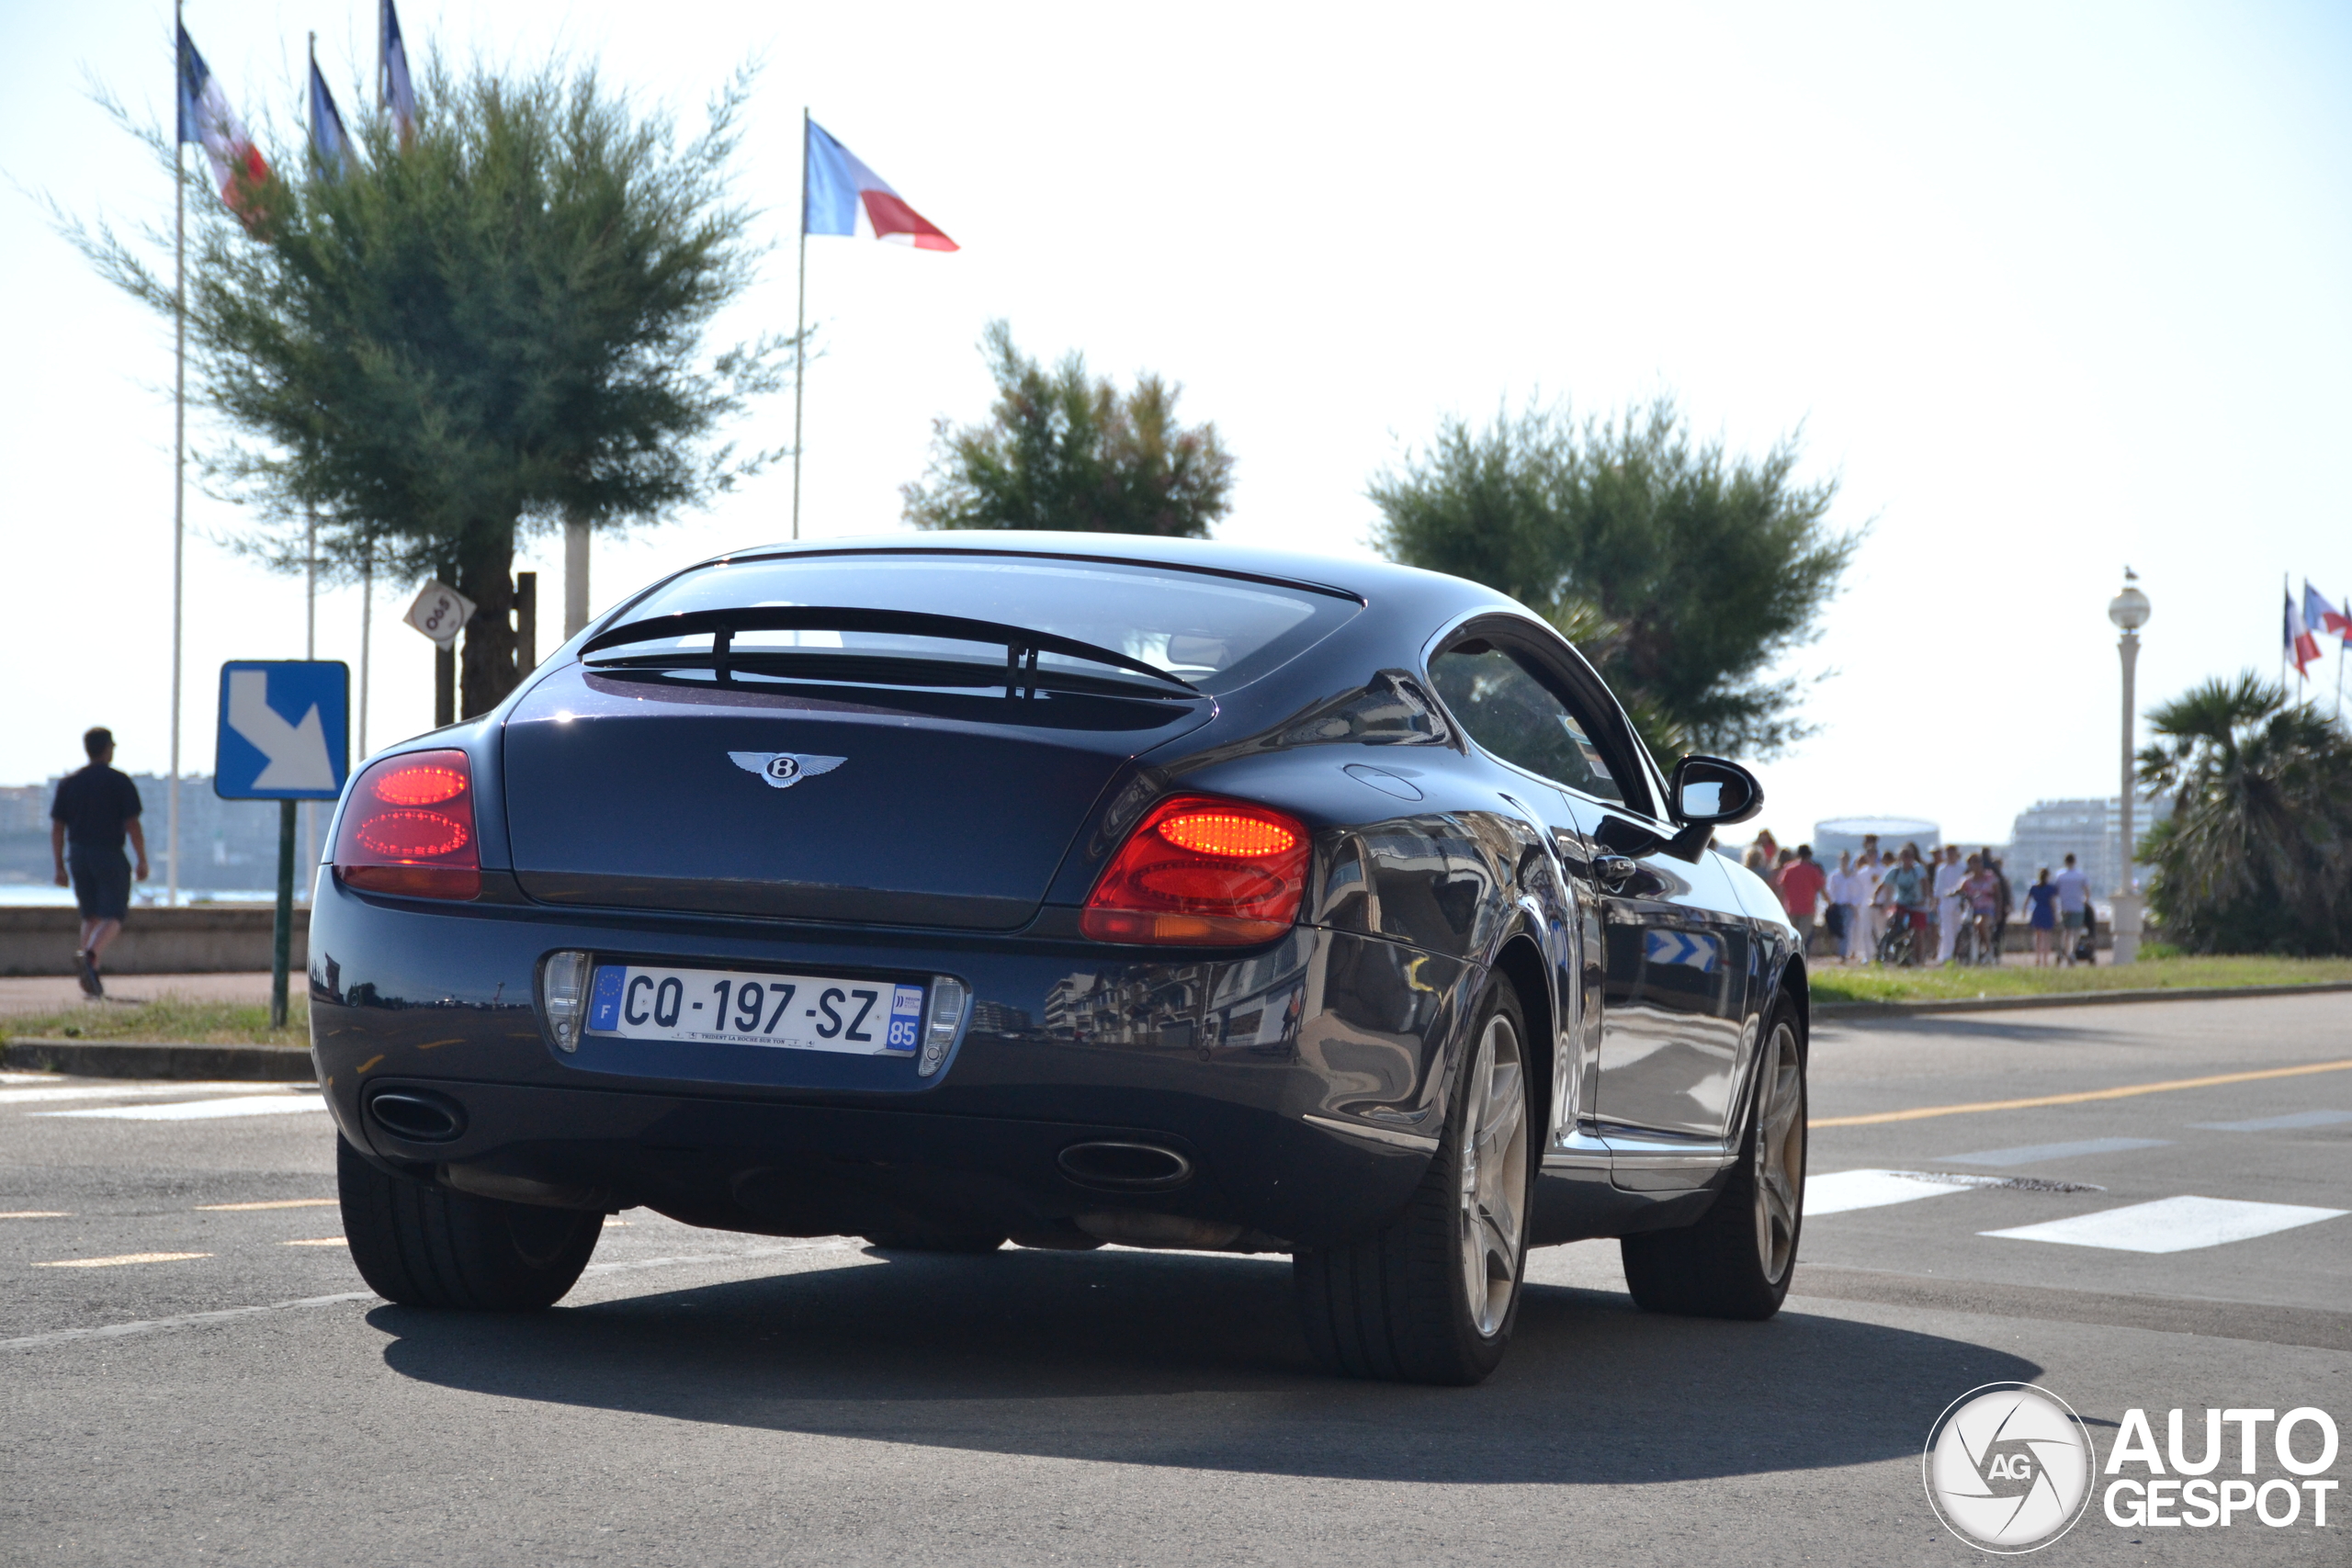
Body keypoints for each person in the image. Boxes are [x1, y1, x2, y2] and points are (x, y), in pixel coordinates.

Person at [50, 727, 148, 998]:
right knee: (114, 914)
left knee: (90, 914)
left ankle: (89, 974)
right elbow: (132, 824)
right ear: (107, 748)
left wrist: (59, 865)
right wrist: (141, 860)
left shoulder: (69, 783)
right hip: (108, 853)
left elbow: (58, 828)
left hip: (78, 855)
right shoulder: (118, 782)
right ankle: (90, 956)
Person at [1774, 844, 1827, 954]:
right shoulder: (1813, 870)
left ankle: (1790, 954)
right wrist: (1830, 902)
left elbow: (1781, 889)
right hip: (1808, 909)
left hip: (1791, 908)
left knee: (1791, 935)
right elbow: (1822, 889)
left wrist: (1779, 905)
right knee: (1802, 937)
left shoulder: (1789, 869)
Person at [1958, 853, 2002, 963]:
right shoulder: (1967, 880)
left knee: (1980, 924)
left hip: (1987, 909)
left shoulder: (1990, 877)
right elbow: (1959, 890)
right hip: (1972, 909)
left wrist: (1999, 912)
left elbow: (1998, 895)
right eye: (1973, 862)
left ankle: (1988, 949)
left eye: (1978, 862)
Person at [2052, 853, 2092, 965]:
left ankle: (2064, 951)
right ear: (2074, 861)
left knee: (2066, 931)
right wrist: (2085, 900)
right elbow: (2088, 891)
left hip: (2065, 906)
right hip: (2078, 906)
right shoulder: (2080, 875)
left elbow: (2056, 892)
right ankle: (2072, 952)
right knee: (2076, 931)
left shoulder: (2060, 875)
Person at [1932, 843, 1968, 964]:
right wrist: (1936, 903)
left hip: (1959, 902)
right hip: (1945, 903)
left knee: (1957, 929)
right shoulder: (1941, 869)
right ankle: (1946, 955)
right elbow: (1938, 889)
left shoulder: (1963, 867)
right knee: (1946, 930)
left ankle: (1955, 954)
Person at [2023, 867, 2061, 966]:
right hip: (2047, 911)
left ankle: (2038, 957)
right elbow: (2053, 903)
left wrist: (2024, 911)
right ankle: (2045, 959)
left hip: (2037, 911)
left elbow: (2027, 901)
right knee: (2047, 936)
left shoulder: (2034, 887)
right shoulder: (2050, 888)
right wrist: (2056, 915)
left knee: (2038, 936)